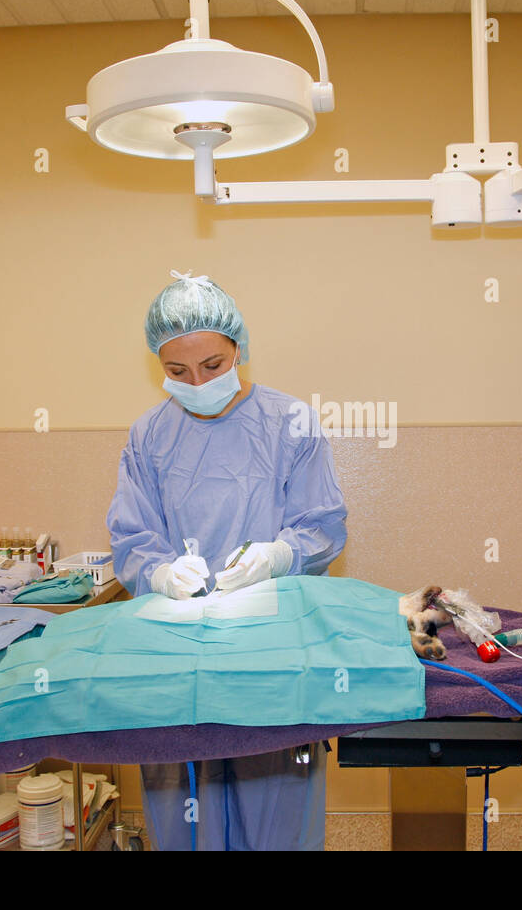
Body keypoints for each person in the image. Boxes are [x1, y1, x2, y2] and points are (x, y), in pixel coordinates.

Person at [106, 270, 348, 850]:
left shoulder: (291, 423)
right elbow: (133, 537)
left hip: (273, 642)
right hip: (176, 647)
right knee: (184, 794)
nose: (197, 382)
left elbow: (322, 525)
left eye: (212, 366)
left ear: (238, 347)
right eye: (177, 371)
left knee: (276, 798)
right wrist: (160, 570)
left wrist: (278, 554)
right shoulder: (148, 435)